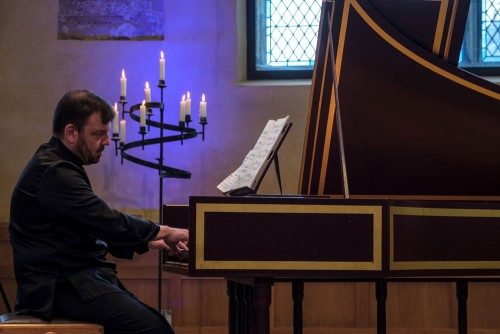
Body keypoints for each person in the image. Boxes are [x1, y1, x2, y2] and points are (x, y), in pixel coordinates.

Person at [9, 89, 188, 334]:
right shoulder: (54, 171)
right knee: (153, 329)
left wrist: (151, 240)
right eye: (98, 134)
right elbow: (103, 218)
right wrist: (162, 230)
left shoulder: (60, 165)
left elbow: (89, 225)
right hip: (56, 287)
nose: (107, 141)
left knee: (153, 323)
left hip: (75, 279)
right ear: (71, 132)